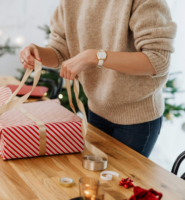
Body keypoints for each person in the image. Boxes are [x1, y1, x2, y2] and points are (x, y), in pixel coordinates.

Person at [19, 0, 177, 157]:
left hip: (136, 120)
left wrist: (94, 56)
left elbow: (157, 60)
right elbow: (59, 51)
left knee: (121, 181)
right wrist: (37, 54)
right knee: (96, 178)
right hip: (96, 110)